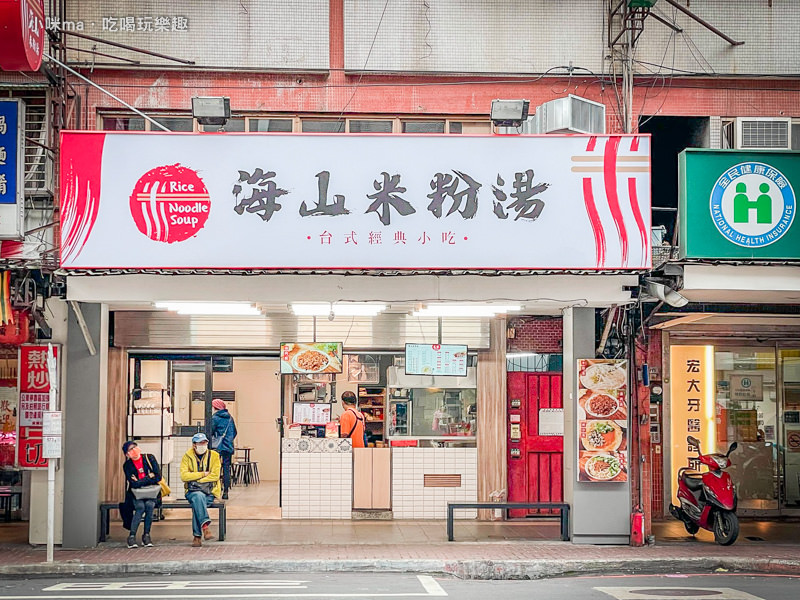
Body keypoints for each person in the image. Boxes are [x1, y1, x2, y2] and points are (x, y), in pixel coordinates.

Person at [180, 432, 221, 547]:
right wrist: (203, 474)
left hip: (210, 492)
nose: (203, 445)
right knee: (198, 497)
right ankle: (205, 527)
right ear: (194, 445)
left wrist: (196, 480)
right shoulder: (187, 456)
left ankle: (197, 536)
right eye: (200, 443)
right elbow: (184, 476)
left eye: (204, 442)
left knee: (197, 503)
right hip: (192, 491)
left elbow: (215, 475)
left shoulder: (214, 456)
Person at [121, 440, 161, 549]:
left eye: (135, 447)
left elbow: (158, 476)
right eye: (130, 449)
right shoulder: (127, 465)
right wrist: (149, 477)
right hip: (136, 494)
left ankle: (146, 535)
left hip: (151, 492)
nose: (134, 450)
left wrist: (141, 480)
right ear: (127, 454)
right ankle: (132, 536)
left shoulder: (149, 458)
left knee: (149, 506)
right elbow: (133, 483)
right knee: (140, 507)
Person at [210, 398, 237, 500]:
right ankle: (226, 491)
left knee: (215, 468)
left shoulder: (215, 418)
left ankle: (215, 490)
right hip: (228, 447)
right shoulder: (230, 418)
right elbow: (234, 432)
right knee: (226, 469)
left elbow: (210, 432)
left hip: (217, 447)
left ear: (215, 407)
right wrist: (228, 441)